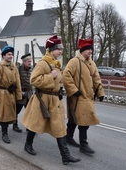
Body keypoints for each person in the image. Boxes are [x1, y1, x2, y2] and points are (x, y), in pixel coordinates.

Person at [21, 35, 81, 165]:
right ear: (50, 49)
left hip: (54, 100)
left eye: (61, 49)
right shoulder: (43, 63)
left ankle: (65, 156)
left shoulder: (57, 64)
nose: (60, 52)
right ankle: (28, 144)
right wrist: (49, 76)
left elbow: (58, 81)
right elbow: (34, 80)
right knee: (35, 124)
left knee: (60, 127)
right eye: (57, 49)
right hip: (42, 99)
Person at [63, 38, 105, 155]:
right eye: (88, 50)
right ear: (82, 50)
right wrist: (73, 90)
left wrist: (100, 92)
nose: (90, 52)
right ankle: (83, 144)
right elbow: (66, 76)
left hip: (87, 96)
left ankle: (68, 137)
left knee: (75, 118)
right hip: (77, 96)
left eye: (91, 50)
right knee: (83, 120)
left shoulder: (91, 63)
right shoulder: (74, 62)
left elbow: (96, 78)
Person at [0, 46, 22, 144]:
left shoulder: (14, 67)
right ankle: (4, 133)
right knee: (4, 114)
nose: (11, 56)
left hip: (11, 94)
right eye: (8, 54)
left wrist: (18, 94)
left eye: (11, 54)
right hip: (2, 94)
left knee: (9, 113)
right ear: (4, 56)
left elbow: (18, 82)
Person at [13, 53, 33, 133]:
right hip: (20, 92)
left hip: (29, 93)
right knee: (17, 110)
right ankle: (15, 124)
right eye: (28, 61)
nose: (30, 63)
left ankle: (29, 126)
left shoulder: (32, 69)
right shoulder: (19, 69)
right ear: (24, 62)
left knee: (30, 111)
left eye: (30, 61)